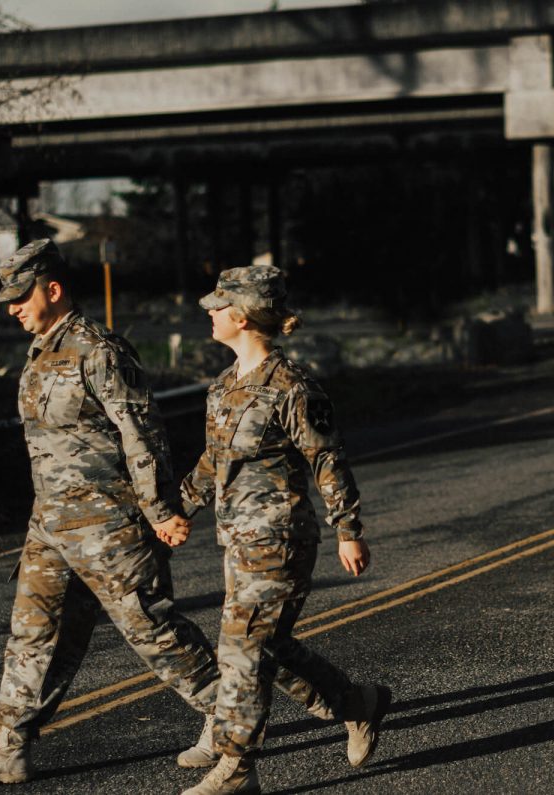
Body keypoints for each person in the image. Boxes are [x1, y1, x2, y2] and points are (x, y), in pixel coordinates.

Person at [0, 239, 221, 785]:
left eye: (21, 296)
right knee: (32, 632)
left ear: (54, 289)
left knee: (149, 628)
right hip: (50, 523)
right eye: (9, 300)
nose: (13, 307)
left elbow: (142, 434)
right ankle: (9, 746)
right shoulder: (41, 351)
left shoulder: (100, 350)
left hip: (109, 524)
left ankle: (225, 717)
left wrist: (160, 509)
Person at [174, 265, 390, 795]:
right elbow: (213, 460)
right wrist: (178, 508)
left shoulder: (292, 386)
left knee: (243, 649)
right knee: (270, 646)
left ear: (243, 317)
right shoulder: (224, 386)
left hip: (281, 539)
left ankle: (237, 767)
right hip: (236, 539)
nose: (210, 313)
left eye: (218, 306)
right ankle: (357, 703)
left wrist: (348, 528)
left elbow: (327, 458)